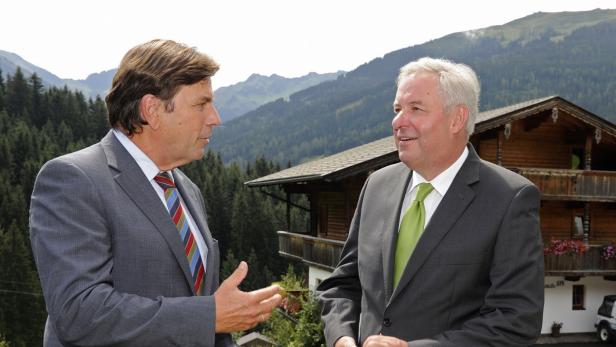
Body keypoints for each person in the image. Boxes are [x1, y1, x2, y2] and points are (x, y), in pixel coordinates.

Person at [29, 39, 282, 347]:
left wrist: (215, 318)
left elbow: (206, 310)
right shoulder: (74, 179)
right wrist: (208, 316)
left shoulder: (187, 190)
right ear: (151, 110)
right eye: (201, 104)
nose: (215, 117)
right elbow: (78, 312)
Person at [317, 57, 544, 347]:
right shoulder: (376, 185)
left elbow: (516, 320)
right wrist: (342, 339)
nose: (398, 122)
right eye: (397, 109)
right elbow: (343, 285)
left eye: (416, 109)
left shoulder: (510, 198)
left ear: (457, 119)